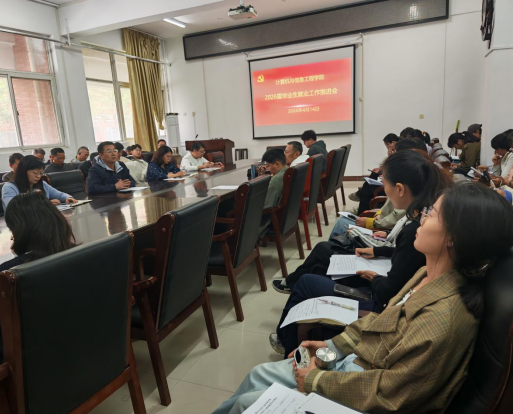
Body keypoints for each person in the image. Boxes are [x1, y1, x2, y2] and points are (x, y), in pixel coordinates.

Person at [213, 182, 513, 414]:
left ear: (454, 237)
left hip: (367, 393)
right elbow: (381, 322)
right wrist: (331, 346)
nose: (421, 219)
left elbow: (390, 394)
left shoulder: (442, 318)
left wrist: (316, 380)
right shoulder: (426, 275)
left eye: (432, 214)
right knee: (257, 375)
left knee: (249, 404)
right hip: (359, 366)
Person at [271, 149, 451, 356]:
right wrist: (377, 251)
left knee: (308, 280)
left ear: (400, 189)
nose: (385, 189)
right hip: (386, 286)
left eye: (385, 183)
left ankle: (287, 341)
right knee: (323, 260)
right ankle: (289, 334)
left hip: (379, 304)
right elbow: (403, 259)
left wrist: (374, 278)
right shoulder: (420, 220)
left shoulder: (415, 230)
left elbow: (388, 292)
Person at [0, 192, 77, 367]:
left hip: (23, 370)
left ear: (19, 231)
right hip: (75, 354)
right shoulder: (82, 255)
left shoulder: (8, 273)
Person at [2, 155, 76, 211]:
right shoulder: (10, 188)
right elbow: (14, 209)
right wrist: (44, 205)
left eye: (41, 173)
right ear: (23, 172)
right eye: (35, 173)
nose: (38, 176)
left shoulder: (42, 184)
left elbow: (60, 195)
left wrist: (68, 198)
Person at [258, 149, 289, 238]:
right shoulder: (289, 171)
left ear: (277, 164)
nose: (267, 169)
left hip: (269, 221)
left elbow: (266, 206)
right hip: (287, 218)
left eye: (268, 166)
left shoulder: (275, 180)